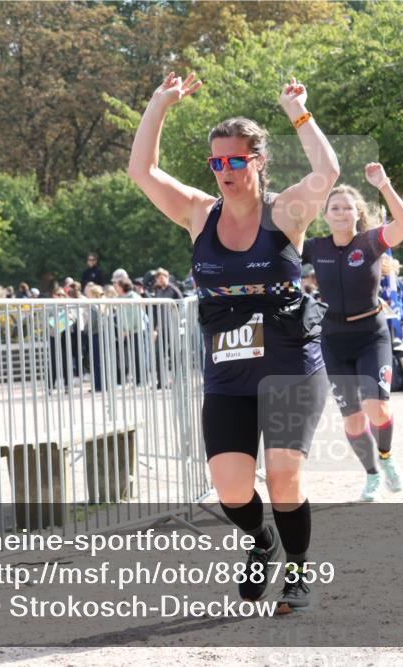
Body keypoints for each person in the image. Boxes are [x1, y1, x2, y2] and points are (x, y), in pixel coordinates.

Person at [128, 71, 339, 613]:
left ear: (258, 162)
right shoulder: (200, 215)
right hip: (229, 374)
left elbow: (327, 170)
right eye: (216, 162)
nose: (225, 171)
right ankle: (260, 540)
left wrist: (299, 110)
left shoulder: (286, 212)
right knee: (232, 490)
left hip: (291, 365)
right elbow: (142, 170)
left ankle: (297, 571)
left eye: (235, 161)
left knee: (285, 474)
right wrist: (159, 104)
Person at [302, 163, 403, 502]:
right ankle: (371, 476)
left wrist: (384, 184)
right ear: (326, 215)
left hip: (371, 334)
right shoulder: (315, 247)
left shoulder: (370, 242)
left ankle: (387, 456)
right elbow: (278, 244)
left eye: (347, 207)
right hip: (333, 339)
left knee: (376, 407)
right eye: (334, 207)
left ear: (357, 213)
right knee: (351, 418)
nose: (340, 212)